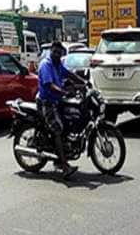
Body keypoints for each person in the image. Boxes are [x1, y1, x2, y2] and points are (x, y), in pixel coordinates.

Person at [36, 41, 86, 178]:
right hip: (46, 103)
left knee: (68, 120)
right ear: (51, 51)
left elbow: (69, 74)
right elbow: (49, 85)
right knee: (58, 129)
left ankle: (62, 155)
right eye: (55, 52)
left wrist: (83, 82)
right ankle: (63, 166)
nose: (57, 55)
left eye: (59, 53)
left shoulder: (58, 65)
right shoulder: (46, 65)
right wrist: (64, 92)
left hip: (57, 101)